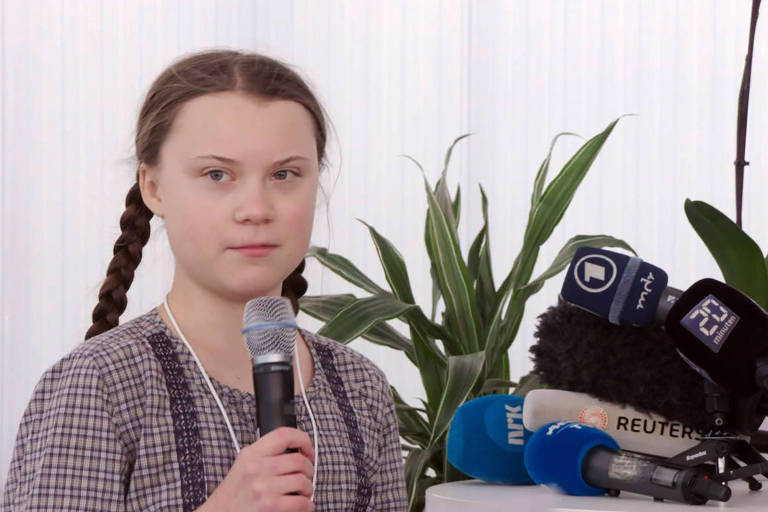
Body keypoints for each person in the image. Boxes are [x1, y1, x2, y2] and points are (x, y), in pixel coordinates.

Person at [2, 49, 407, 512]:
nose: (256, 208)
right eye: (217, 174)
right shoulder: (100, 384)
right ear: (154, 188)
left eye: (284, 174)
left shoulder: (360, 388)